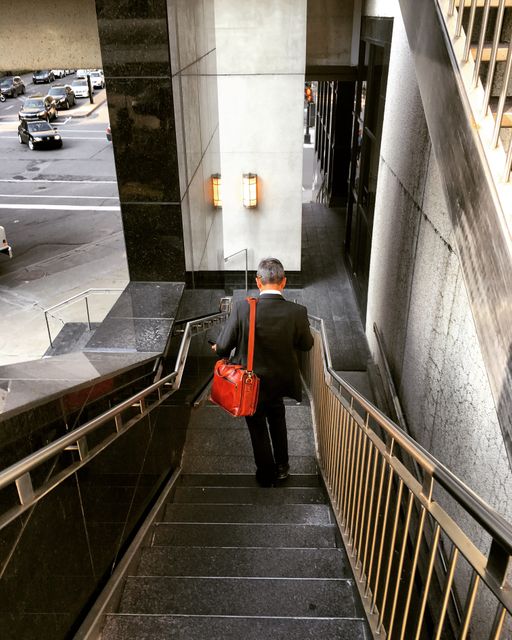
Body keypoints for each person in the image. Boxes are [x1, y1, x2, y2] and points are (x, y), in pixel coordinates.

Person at [213, 257, 314, 487]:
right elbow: (306, 344)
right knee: (278, 419)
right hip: (280, 381)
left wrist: (216, 347)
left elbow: (223, 346)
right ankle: (282, 467)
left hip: (251, 381)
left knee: (257, 426)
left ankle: (266, 473)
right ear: (284, 282)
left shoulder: (242, 308)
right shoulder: (297, 311)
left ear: (258, 282)